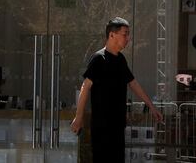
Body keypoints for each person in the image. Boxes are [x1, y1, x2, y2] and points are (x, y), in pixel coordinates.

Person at [70, 17, 163, 162]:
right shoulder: (99, 59)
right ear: (112, 35)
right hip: (102, 126)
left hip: (118, 125)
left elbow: (133, 84)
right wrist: (79, 116)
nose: (128, 38)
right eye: (125, 34)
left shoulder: (120, 60)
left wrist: (151, 107)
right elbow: (85, 87)